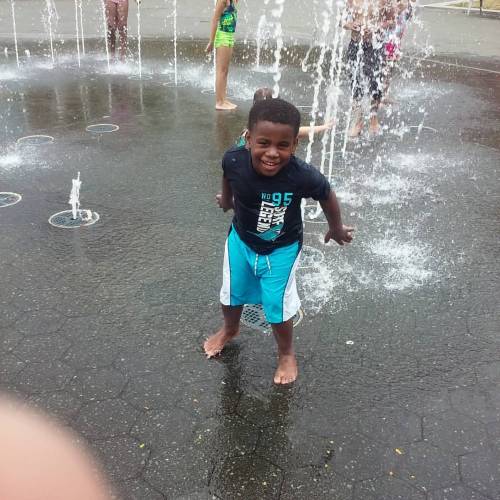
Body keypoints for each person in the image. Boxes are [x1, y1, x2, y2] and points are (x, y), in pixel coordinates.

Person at [204, 98, 353, 384]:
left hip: (282, 249)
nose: (272, 153)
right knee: (230, 294)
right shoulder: (234, 159)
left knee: (277, 305)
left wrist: (335, 227)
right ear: (248, 139)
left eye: (283, 145)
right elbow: (227, 175)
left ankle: (286, 353)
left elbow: (326, 193)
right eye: (264, 143)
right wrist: (227, 199)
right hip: (240, 241)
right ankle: (230, 329)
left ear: (295, 144)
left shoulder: (300, 174)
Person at [343, 0, 397, 136]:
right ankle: (358, 121)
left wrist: (376, 26)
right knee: (355, 82)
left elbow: (392, 21)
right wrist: (351, 25)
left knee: (375, 82)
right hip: (355, 44)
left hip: (375, 45)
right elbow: (341, 21)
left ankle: (373, 118)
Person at [235, 87, 334, 147]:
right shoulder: (249, 136)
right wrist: (324, 127)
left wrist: (324, 127)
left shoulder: (250, 130)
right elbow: (300, 131)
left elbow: (300, 131)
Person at [206, 0, 239, 111]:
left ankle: (223, 99)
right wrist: (211, 41)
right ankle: (219, 102)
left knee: (225, 71)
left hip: (229, 35)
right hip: (222, 36)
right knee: (221, 70)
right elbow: (215, 19)